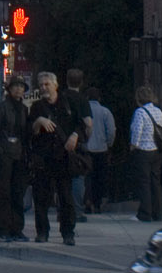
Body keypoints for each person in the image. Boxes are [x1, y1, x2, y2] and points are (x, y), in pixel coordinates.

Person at [27, 71, 81, 245]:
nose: (44, 88)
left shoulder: (68, 103)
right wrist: (39, 121)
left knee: (66, 197)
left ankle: (68, 233)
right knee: (41, 198)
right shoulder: (37, 107)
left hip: (63, 158)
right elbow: (30, 131)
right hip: (43, 158)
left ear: (55, 85)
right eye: (41, 85)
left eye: (47, 84)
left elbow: (82, 124)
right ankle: (42, 232)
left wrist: (74, 136)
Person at [0, 75, 31, 242]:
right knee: (5, 194)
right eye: (15, 86)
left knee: (18, 193)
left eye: (21, 86)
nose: (18, 89)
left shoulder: (24, 110)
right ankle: (3, 229)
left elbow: (25, 133)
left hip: (19, 157)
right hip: (5, 156)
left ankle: (17, 229)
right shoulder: (2, 107)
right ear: (9, 89)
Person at [130, 84, 162, 222]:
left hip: (143, 151)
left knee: (144, 183)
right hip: (157, 151)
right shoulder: (158, 111)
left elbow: (137, 131)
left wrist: (133, 145)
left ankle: (145, 213)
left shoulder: (140, 112)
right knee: (155, 181)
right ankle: (158, 213)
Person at [61, 70, 93, 220]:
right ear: (81, 82)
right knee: (78, 177)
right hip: (77, 142)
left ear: (66, 81)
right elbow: (88, 123)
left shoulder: (61, 97)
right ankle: (76, 211)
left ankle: (63, 211)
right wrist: (86, 135)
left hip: (60, 141)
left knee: (61, 177)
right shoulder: (82, 99)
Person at [83, 88, 114, 214]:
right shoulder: (105, 112)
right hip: (101, 149)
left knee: (87, 177)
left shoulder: (84, 111)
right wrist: (109, 143)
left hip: (86, 148)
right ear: (99, 98)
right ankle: (97, 203)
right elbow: (111, 131)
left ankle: (87, 201)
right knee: (99, 178)